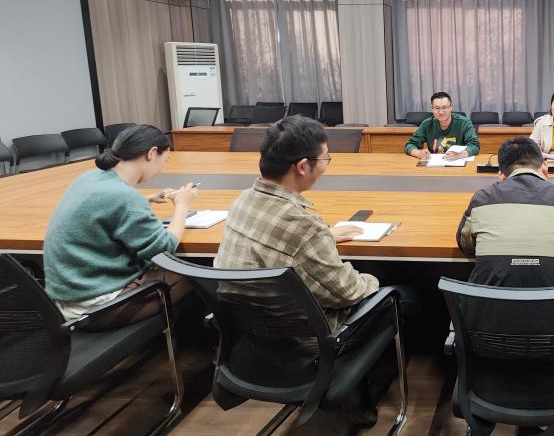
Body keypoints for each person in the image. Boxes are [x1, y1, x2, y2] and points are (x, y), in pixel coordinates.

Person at [216, 116, 381, 328]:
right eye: (325, 158)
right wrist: (374, 279)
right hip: (302, 339)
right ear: (302, 166)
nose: (326, 164)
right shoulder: (305, 226)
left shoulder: (243, 200)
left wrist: (325, 236)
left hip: (245, 330)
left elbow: (279, 238)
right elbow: (349, 292)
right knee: (404, 296)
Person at [44, 125, 197, 325]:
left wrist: (147, 200)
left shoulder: (89, 177)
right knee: (196, 275)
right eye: (164, 160)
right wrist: (182, 206)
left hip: (64, 301)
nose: (161, 169)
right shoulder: (125, 198)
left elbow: (104, 207)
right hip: (97, 308)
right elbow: (164, 249)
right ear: (151, 153)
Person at [457, 136, 554, 287]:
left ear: (501, 175)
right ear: (545, 166)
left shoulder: (481, 200)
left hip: (490, 305)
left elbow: (466, 246)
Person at [404, 91, 480, 160]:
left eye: (444, 107)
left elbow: (474, 145)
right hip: (434, 165)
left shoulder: (464, 123)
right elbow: (410, 144)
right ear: (432, 109)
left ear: (451, 107)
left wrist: (459, 155)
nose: (441, 112)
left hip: (457, 164)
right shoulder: (427, 124)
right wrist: (419, 154)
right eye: (437, 108)